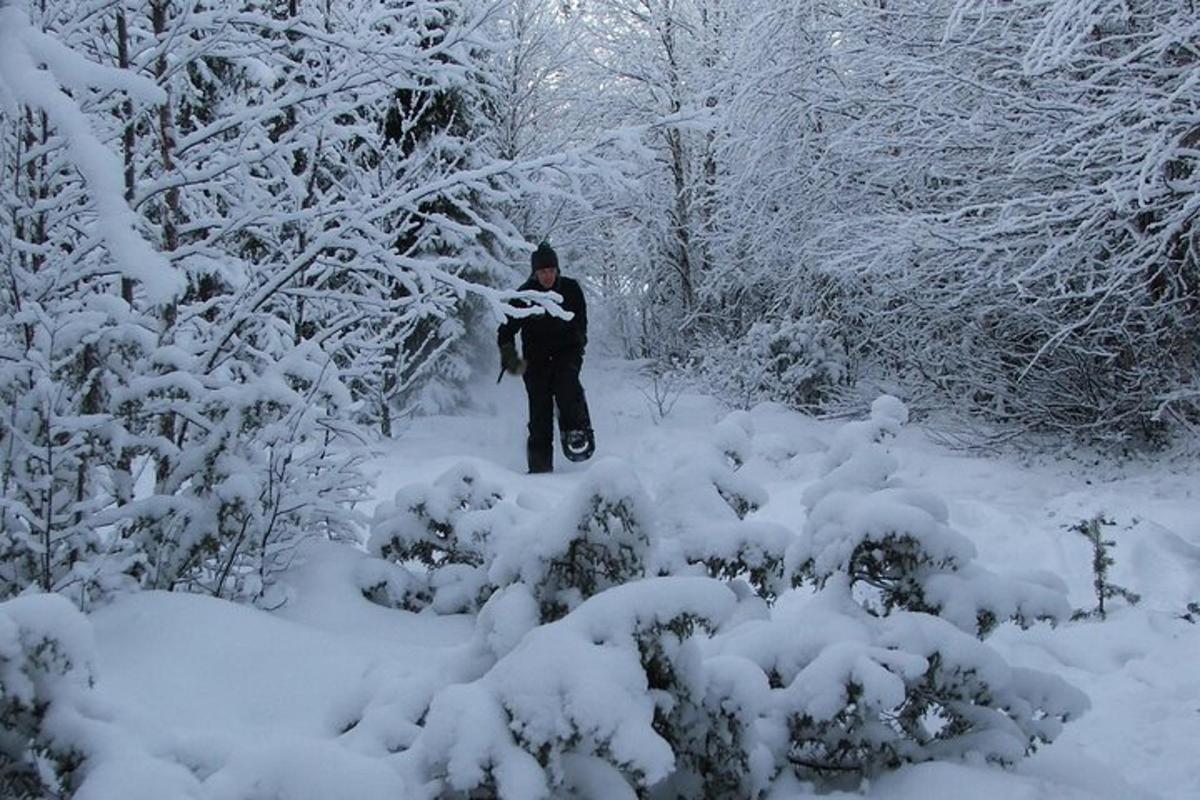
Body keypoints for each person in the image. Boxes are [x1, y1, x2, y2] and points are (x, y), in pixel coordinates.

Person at [498, 242, 594, 473]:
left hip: (566, 354)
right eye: (542, 272)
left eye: (551, 271)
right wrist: (510, 357)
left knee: (567, 386)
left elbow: (581, 321)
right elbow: (505, 330)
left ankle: (576, 429)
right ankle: (539, 469)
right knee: (539, 415)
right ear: (535, 273)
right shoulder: (524, 295)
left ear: (557, 270)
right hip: (536, 362)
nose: (547, 276)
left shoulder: (571, 289)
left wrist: (579, 345)